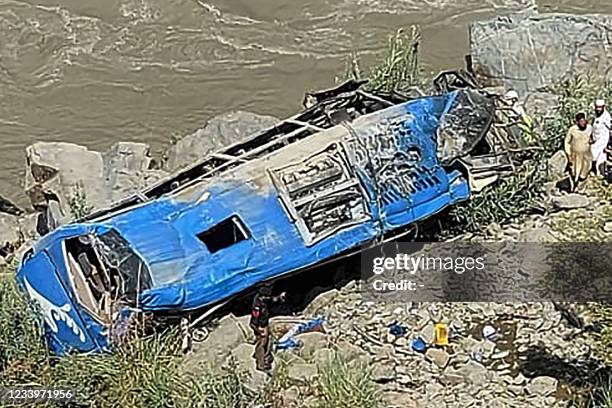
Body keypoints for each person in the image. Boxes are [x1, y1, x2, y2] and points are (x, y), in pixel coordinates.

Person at [249, 286, 286, 371]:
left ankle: (265, 358)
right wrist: (259, 330)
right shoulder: (257, 306)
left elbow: (272, 300)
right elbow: (254, 320)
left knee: (268, 341)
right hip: (259, 326)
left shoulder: (264, 301)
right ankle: (261, 364)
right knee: (261, 344)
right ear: (263, 296)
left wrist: (279, 297)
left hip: (265, 323)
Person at [564, 112, 593, 192]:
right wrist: (568, 153)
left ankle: (580, 188)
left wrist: (591, 141)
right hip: (575, 155)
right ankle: (573, 187)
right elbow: (567, 141)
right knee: (574, 172)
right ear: (577, 122)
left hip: (586, 155)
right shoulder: (572, 130)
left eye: (583, 121)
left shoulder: (589, 128)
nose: (582, 123)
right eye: (580, 121)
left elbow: (592, 137)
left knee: (584, 172)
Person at [591, 99, 611, 176]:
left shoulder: (606, 116)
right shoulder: (597, 116)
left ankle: (600, 177)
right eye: (597, 107)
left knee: (600, 162)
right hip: (596, 143)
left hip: (603, 144)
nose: (598, 109)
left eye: (600, 107)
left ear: (603, 107)